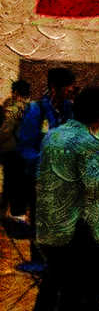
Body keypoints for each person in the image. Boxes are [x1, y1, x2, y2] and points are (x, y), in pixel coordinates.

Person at [34, 86, 99, 311]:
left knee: (53, 279)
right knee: (83, 284)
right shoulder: (86, 142)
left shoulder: (53, 135)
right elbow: (96, 185)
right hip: (74, 227)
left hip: (49, 221)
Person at [20, 68, 76, 264]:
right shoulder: (36, 110)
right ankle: (39, 261)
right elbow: (26, 145)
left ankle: (56, 261)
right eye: (68, 86)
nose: (72, 89)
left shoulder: (70, 110)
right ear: (54, 87)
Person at [0, 79, 31, 218]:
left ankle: (6, 211)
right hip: (27, 151)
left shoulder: (15, 108)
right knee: (21, 183)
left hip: (12, 151)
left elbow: (6, 130)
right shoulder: (33, 107)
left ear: (16, 92)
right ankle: (19, 212)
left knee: (9, 181)